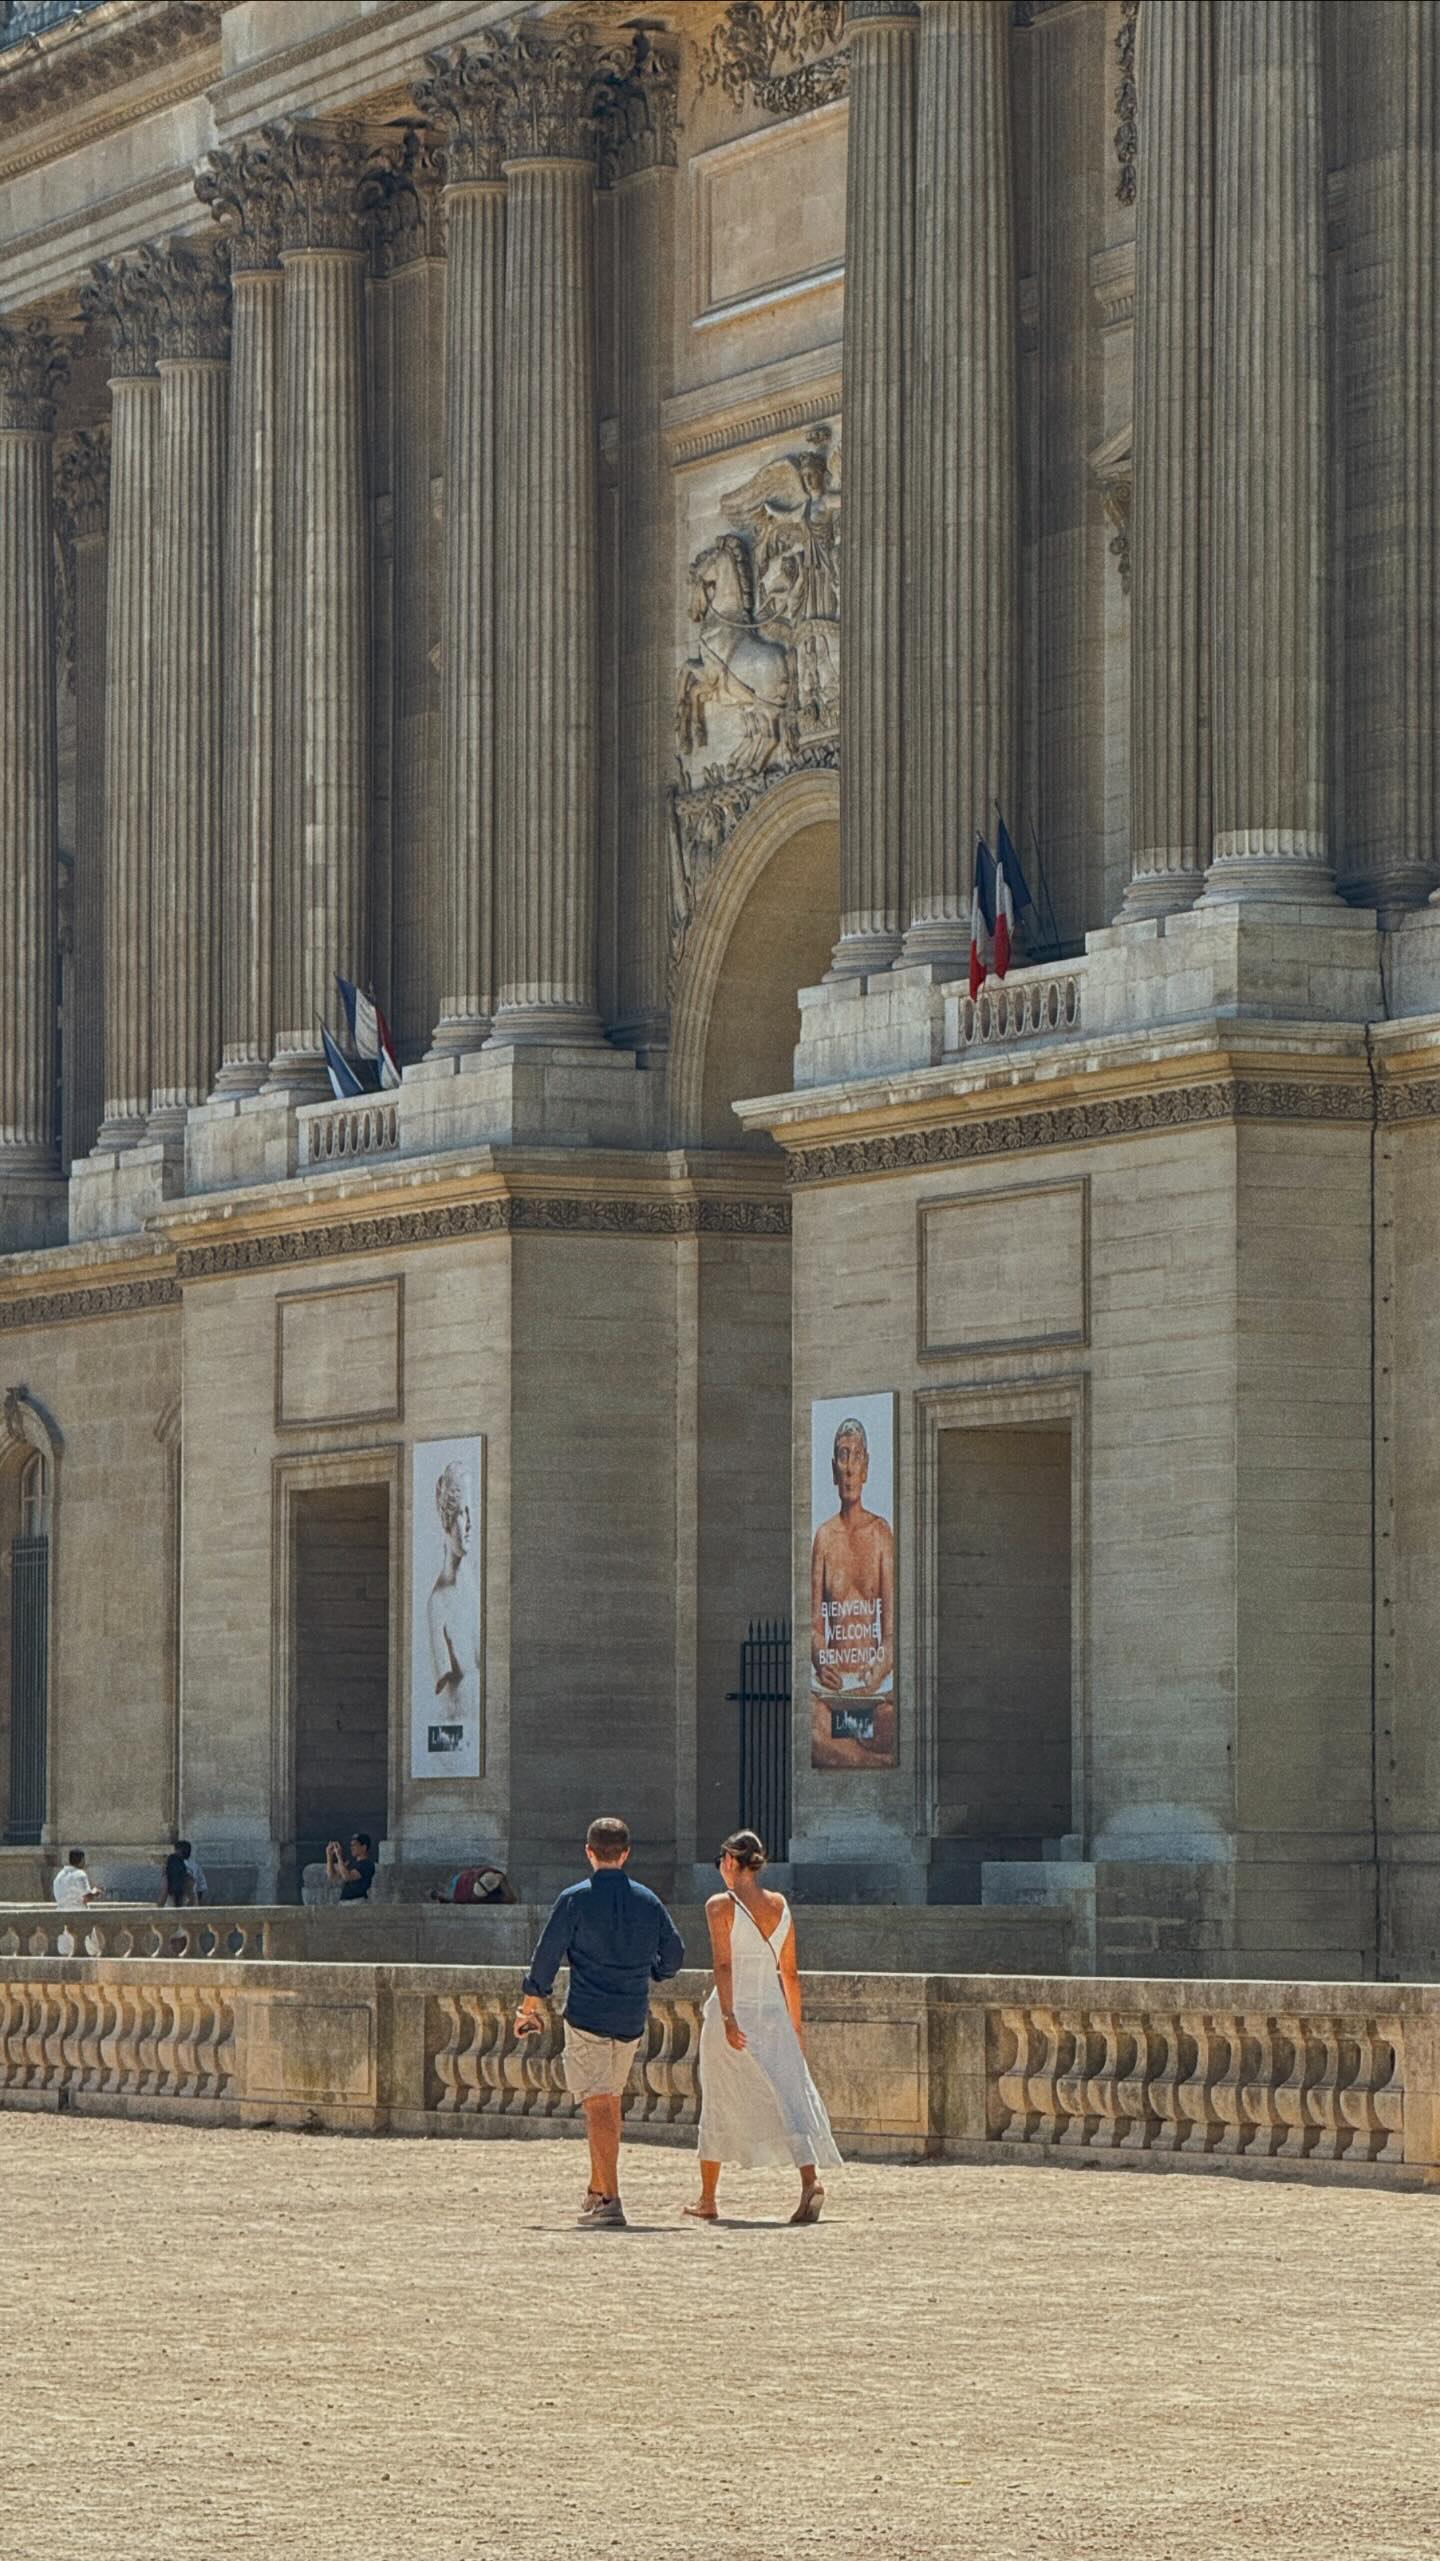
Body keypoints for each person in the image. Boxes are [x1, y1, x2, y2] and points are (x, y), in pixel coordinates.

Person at [514, 1816, 684, 2230]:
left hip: (588, 2012)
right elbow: (675, 1953)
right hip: (630, 2014)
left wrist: (529, 2007)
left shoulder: (574, 1899)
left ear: (589, 1852)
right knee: (610, 2102)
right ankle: (596, 2189)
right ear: (626, 1854)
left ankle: (610, 2198)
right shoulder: (648, 1900)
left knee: (597, 2105)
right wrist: (652, 1972)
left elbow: (546, 1956)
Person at [686, 1829, 839, 2228]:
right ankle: (809, 2179)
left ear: (730, 1861)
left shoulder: (720, 1905)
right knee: (789, 2096)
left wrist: (729, 2017)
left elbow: (723, 1965)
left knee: (718, 2096)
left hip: (734, 2012)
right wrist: (796, 2027)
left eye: (721, 1861)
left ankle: (707, 2197)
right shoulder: (780, 1905)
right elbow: (790, 1973)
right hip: (774, 2013)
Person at [810, 1414, 896, 1768]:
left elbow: (891, 1632)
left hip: (872, 1691)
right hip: (834, 1690)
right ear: (833, 1469)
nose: (849, 1468)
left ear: (866, 1468)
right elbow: (814, 1627)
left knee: (895, 1723)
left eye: (856, 1456)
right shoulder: (824, 1537)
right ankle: (870, 1761)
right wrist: (821, 1659)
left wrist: (881, 1665)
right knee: (810, 1727)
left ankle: (851, 1753)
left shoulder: (881, 1534)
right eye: (843, 1456)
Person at [427, 1861, 517, 1905]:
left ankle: (441, 1895)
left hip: (459, 1880)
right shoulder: (477, 1895)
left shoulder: (485, 1872)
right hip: (459, 1884)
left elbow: (511, 1900)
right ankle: (441, 1895)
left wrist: (502, 1880)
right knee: (455, 1897)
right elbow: (511, 1899)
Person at [325, 1832, 376, 1901]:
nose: (351, 1848)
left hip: (357, 1900)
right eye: (351, 1845)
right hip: (345, 1901)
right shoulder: (350, 1863)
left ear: (364, 1847)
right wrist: (329, 1856)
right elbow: (332, 1875)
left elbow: (347, 1877)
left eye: (354, 1845)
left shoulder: (367, 1865)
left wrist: (339, 1856)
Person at [157, 1842, 195, 1909]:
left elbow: (163, 1895)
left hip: (169, 1908)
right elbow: (192, 1901)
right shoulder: (188, 1878)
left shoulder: (166, 1877)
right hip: (184, 1909)